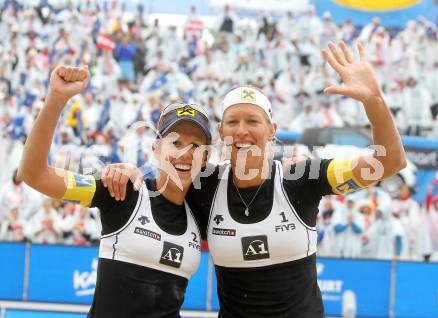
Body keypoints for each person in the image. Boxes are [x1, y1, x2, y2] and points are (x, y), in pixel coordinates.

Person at [104, 41, 406, 317]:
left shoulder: (300, 179)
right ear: (221, 134)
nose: (242, 130)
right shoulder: (205, 185)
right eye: (232, 122)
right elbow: (167, 168)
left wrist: (374, 102)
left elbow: (390, 162)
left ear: (272, 129)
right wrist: (134, 171)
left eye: (253, 121)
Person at [18, 65, 212, 317]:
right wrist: (56, 99)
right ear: (155, 148)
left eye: (195, 145)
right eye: (175, 142)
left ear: (206, 158)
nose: (185, 153)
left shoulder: (204, 210)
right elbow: (35, 174)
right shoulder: (124, 190)